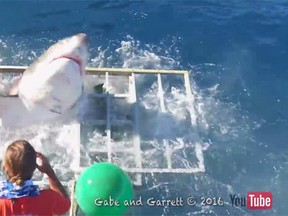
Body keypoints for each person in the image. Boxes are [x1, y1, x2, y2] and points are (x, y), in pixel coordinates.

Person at [0, 140, 71, 215]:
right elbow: (65, 206)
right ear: (35, 167)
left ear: (5, 168)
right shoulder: (48, 198)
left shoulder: (2, 203)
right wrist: (49, 172)